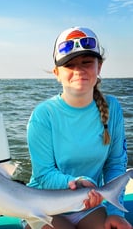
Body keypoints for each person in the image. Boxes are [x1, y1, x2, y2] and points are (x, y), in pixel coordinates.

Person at [27, 27, 132, 229]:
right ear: (57, 73)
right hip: (43, 206)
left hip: (89, 204)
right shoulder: (43, 114)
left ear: (99, 67)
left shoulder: (113, 108)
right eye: (69, 65)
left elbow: (115, 164)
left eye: (86, 62)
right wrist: (78, 183)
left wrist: (115, 212)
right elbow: (44, 174)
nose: (78, 70)